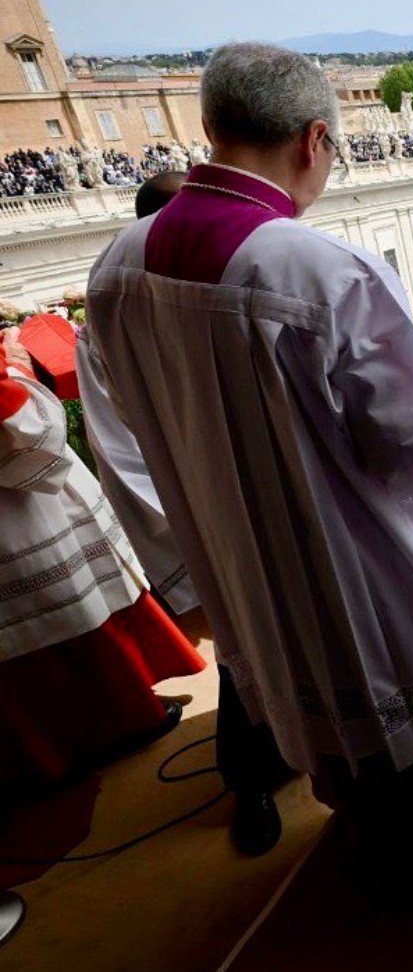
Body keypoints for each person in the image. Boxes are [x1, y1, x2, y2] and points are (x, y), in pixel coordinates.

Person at [84, 42, 413, 892]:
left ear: (210, 128)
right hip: (359, 554)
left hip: (235, 553)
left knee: (317, 706)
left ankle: (379, 851)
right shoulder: (321, 268)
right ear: (314, 141)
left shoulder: (116, 265)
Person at [76, 169, 290, 856]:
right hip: (208, 510)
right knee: (245, 652)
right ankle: (252, 778)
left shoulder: (232, 287)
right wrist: (194, 516)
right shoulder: (110, 312)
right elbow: (120, 441)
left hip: (278, 499)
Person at [0, 325, 205, 794]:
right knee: (66, 610)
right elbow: (25, 435)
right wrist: (18, 364)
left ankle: (41, 752)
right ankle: (120, 723)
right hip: (17, 513)